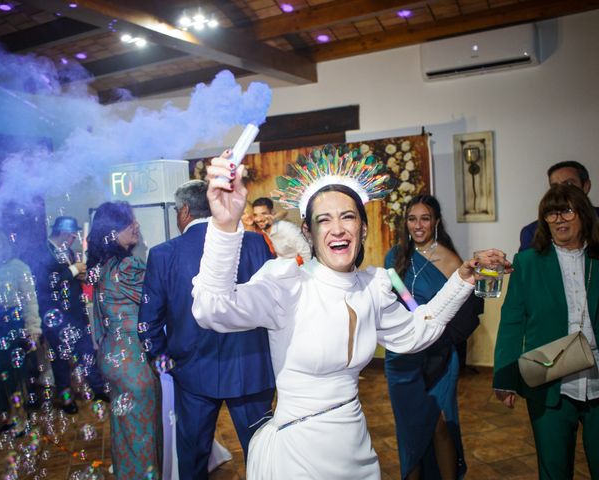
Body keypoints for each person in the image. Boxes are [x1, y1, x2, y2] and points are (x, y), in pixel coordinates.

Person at [191, 150, 508, 478]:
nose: (337, 229)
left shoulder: (374, 286)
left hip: (356, 448)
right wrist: (224, 225)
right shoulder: (287, 284)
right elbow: (212, 309)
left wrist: (463, 278)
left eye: (348, 217)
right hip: (299, 454)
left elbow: (416, 331)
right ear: (308, 232)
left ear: (363, 228)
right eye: (323, 220)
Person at [138, 180, 275, 480]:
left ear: (184, 211)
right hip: (251, 369)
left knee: (193, 459)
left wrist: (161, 361)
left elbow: (149, 319)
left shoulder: (163, 254)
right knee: (264, 456)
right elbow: (275, 301)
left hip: (192, 372)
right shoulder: (255, 243)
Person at [494, 184, 599, 479]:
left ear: (584, 215)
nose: (559, 220)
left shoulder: (597, 259)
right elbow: (512, 321)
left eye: (566, 210)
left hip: (598, 380)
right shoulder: (527, 263)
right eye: (551, 214)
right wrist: (505, 377)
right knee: (553, 470)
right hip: (551, 383)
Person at [385, 194, 483, 480]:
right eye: (412, 218)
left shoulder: (452, 261)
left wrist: (437, 335)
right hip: (403, 357)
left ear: (436, 222)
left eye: (425, 218)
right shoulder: (395, 256)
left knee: (440, 424)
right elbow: (397, 301)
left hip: (439, 355)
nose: (418, 225)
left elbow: (468, 312)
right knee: (409, 427)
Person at [87, 202, 161, 479]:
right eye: (131, 222)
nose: (137, 226)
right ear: (113, 230)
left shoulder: (102, 265)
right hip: (133, 361)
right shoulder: (128, 266)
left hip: (112, 357)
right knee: (143, 437)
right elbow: (159, 300)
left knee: (125, 436)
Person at [33, 216, 107, 414]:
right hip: (55, 316)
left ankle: (98, 389)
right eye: (73, 234)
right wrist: (74, 269)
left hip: (75, 313)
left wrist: (80, 275)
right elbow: (47, 283)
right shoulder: (43, 252)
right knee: (60, 359)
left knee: (86, 353)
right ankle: (66, 399)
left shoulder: (69, 252)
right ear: (64, 233)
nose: (75, 237)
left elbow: (70, 281)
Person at [0, 233, 42, 432]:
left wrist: (33, 328)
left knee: (17, 374)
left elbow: (30, 301)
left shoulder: (19, 268)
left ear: (6, 246)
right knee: (3, 374)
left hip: (14, 324)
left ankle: (22, 418)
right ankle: (11, 414)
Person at [519, 161, 598, 251]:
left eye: (568, 184)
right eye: (555, 186)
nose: (561, 190)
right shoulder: (532, 232)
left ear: (586, 186)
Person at [251, 197, 310, 263]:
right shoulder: (261, 231)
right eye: (255, 215)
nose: (259, 219)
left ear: (272, 212)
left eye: (263, 214)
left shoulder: (286, 229)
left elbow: (307, 254)